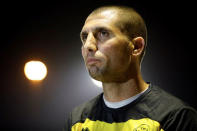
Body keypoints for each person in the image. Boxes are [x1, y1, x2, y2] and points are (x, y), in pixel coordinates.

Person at [64, 5, 197, 131]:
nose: (88, 45)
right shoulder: (78, 119)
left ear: (136, 47)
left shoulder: (175, 116)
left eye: (103, 33)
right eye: (85, 36)